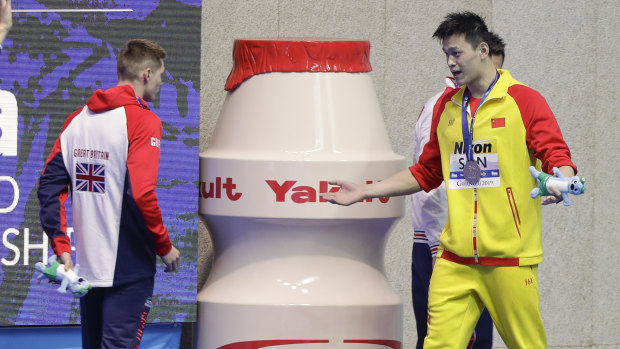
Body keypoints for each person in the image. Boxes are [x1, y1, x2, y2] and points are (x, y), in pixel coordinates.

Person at [321, 11, 578, 348]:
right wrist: (365, 191)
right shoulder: (447, 106)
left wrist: (562, 179)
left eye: (457, 52)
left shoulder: (524, 100)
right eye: (446, 54)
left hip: (510, 259)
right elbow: (428, 172)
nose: (451, 62)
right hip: (454, 259)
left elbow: (556, 154)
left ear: (482, 50)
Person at [38, 39, 181, 349]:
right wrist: (164, 246)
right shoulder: (144, 121)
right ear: (146, 74)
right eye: (160, 75)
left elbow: (49, 188)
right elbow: (142, 194)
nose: (160, 82)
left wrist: (62, 247)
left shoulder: (76, 121)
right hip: (129, 271)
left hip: (88, 270)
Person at [410, 30, 505, 349]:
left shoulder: (492, 109)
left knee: (479, 343)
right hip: (444, 248)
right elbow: (431, 185)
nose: (496, 81)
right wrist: (440, 250)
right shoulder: (444, 109)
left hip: (480, 249)